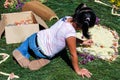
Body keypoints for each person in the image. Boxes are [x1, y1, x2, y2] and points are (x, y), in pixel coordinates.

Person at [12, 3, 96, 78]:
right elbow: (73, 54)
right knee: (48, 56)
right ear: (83, 27)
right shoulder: (70, 33)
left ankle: (20, 51)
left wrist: (82, 42)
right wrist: (78, 70)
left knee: (29, 40)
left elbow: (68, 38)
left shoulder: (67, 18)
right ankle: (40, 61)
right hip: (42, 52)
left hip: (35, 39)